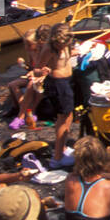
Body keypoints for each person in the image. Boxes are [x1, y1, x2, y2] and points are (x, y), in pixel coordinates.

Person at [41, 24, 78, 168]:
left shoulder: (67, 46)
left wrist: (77, 51)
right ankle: (57, 158)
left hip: (66, 82)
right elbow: (38, 66)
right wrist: (42, 71)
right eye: (59, 42)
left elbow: (65, 58)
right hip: (57, 84)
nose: (61, 45)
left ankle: (61, 149)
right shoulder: (49, 48)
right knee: (65, 118)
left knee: (66, 117)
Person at [9, 25, 53, 131]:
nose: (26, 47)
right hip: (34, 76)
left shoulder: (43, 52)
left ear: (36, 43)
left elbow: (47, 68)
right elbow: (31, 68)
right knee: (12, 84)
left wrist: (35, 73)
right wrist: (24, 66)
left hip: (42, 78)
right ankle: (21, 109)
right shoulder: (31, 53)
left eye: (29, 45)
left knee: (31, 85)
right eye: (25, 45)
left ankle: (26, 113)